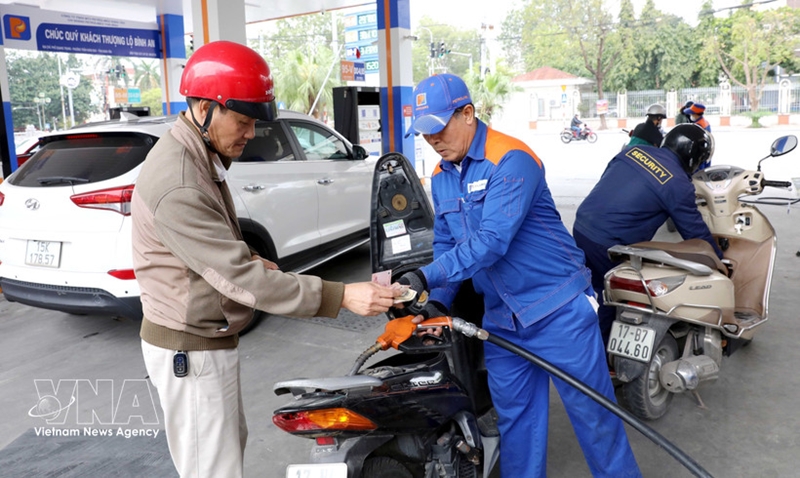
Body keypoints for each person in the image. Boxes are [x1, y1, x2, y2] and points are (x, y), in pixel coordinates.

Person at [130, 41, 400, 478]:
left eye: (254, 122)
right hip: (190, 350)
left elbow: (213, 244)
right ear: (205, 108)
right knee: (213, 470)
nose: (251, 133)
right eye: (242, 121)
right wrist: (343, 295)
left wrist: (252, 255)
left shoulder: (196, 154)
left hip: (204, 340)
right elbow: (241, 279)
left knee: (223, 455)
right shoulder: (179, 180)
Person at [399, 73, 641, 478]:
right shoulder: (441, 176)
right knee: (518, 428)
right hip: (502, 321)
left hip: (558, 310)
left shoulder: (511, 159)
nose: (433, 140)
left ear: (467, 113)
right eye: (425, 133)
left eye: (439, 127)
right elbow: (447, 243)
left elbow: (492, 241)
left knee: (596, 419)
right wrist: (437, 299)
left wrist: (422, 276)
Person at [573, 124, 722, 346]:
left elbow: (608, 181)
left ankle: (581, 338)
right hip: (611, 245)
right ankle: (601, 354)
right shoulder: (677, 182)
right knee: (614, 298)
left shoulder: (632, 152)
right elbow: (695, 232)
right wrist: (719, 260)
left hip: (582, 227)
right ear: (694, 158)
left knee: (592, 290)